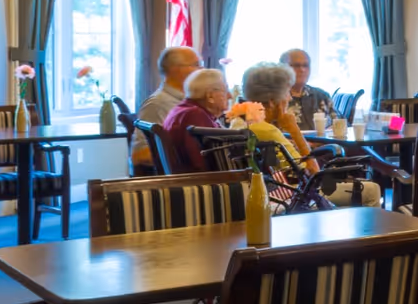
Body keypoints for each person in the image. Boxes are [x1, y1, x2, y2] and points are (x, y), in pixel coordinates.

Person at [239, 61, 379, 207]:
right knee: (371, 190)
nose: (290, 98)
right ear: (273, 101)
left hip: (276, 193)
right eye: (287, 92)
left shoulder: (245, 125)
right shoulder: (268, 130)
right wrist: (294, 130)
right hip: (296, 195)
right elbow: (312, 173)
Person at [133, 46, 199, 170]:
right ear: (176, 69)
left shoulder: (191, 101)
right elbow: (139, 155)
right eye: (196, 64)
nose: (201, 70)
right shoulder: (156, 105)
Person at [159, 67, 230, 174]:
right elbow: (202, 165)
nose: (230, 96)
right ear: (210, 95)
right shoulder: (195, 115)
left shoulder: (184, 109)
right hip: (197, 183)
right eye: (225, 91)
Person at [280, 48, 332, 131]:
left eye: (305, 65)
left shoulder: (321, 96)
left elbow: (341, 124)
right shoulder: (273, 98)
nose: (302, 70)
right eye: (296, 66)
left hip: (323, 143)